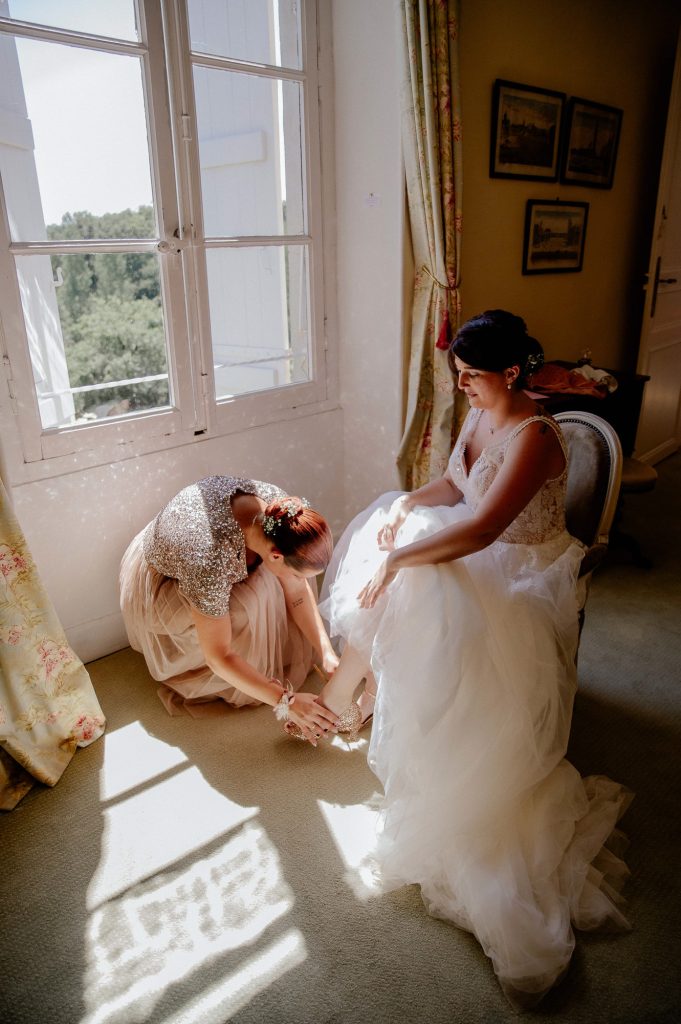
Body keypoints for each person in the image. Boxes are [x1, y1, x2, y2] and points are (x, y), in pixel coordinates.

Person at [317, 310, 632, 1006]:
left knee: (412, 577)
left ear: (512, 372)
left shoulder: (534, 434)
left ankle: (346, 700)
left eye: (472, 378)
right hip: (476, 545)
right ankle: (360, 698)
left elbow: (488, 525)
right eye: (457, 378)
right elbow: (455, 490)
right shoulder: (480, 413)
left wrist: (401, 557)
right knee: (388, 524)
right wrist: (403, 513)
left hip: (520, 568)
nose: (462, 390)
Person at [120, 476, 339, 743]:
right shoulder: (208, 560)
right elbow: (219, 656)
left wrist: (326, 652)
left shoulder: (280, 512)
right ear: (276, 556)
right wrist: (286, 702)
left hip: (220, 555)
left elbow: (296, 593)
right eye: (298, 574)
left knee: (273, 589)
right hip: (173, 579)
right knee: (242, 613)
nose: (301, 581)